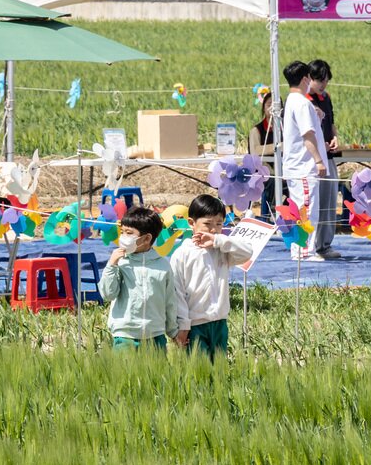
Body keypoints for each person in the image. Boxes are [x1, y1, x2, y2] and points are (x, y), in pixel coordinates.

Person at [171, 194, 251, 359]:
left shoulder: (221, 250)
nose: (213, 229)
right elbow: (177, 293)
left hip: (220, 322)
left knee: (220, 367)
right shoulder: (182, 254)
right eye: (207, 224)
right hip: (195, 325)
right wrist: (183, 325)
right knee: (199, 369)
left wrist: (219, 241)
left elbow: (247, 252)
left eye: (219, 224)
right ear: (191, 223)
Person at [100, 206, 178, 349]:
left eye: (129, 233)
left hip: (155, 335)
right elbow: (108, 294)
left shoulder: (162, 265)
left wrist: (173, 331)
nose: (123, 237)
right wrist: (111, 265)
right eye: (122, 232)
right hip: (125, 335)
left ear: (147, 238)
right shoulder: (120, 263)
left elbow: (170, 300)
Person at [279, 60, 329, 262]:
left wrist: (318, 116)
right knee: (306, 210)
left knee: (302, 208)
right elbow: (308, 135)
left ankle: (302, 249)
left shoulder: (293, 100)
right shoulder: (301, 103)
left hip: (297, 167)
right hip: (304, 167)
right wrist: (318, 160)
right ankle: (304, 250)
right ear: (305, 79)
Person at [308, 59, 343, 258]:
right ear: (309, 79)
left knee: (329, 201)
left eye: (326, 80)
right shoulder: (304, 100)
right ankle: (312, 246)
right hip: (313, 161)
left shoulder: (326, 98)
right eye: (320, 80)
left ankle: (325, 245)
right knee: (315, 204)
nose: (323, 84)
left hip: (328, 157)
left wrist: (334, 137)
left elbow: (331, 122)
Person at [248, 91, 276, 219]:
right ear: (263, 108)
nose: (272, 108)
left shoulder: (285, 129)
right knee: (271, 180)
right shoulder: (256, 130)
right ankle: (266, 216)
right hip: (261, 169)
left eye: (276, 105)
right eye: (269, 105)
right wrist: (277, 146)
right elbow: (255, 151)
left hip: (283, 169)